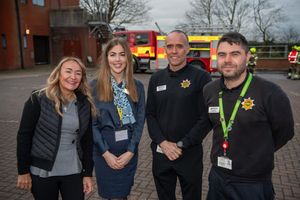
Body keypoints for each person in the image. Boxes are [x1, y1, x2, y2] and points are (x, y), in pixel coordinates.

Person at [203, 32, 294, 200]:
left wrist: (258, 152)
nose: (227, 60)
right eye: (222, 54)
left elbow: (285, 132)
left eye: (235, 54)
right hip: (217, 176)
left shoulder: (270, 92)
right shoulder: (209, 90)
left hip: (253, 183)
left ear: (247, 56)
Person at [16, 56, 97, 200]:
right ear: (58, 73)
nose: (73, 77)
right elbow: (24, 136)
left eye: (78, 73)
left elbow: (87, 141)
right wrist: (23, 171)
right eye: (68, 71)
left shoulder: (84, 104)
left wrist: (88, 173)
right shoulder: (38, 98)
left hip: (74, 170)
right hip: (43, 171)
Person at [146, 30, 212, 200]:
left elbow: (205, 119)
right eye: (170, 46)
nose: (174, 51)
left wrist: (182, 144)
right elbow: (151, 115)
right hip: (162, 153)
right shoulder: (156, 79)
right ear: (164, 50)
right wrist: (163, 143)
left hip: (188, 154)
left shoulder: (202, 77)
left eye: (179, 46)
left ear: (187, 49)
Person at [91, 37, 145, 200]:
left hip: (128, 150)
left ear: (128, 58)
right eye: (113, 54)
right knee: (111, 195)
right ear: (106, 59)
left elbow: (140, 121)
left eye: (122, 54)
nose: (117, 59)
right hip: (104, 150)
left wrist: (131, 151)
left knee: (122, 195)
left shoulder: (137, 86)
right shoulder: (94, 86)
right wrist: (106, 153)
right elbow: (91, 124)